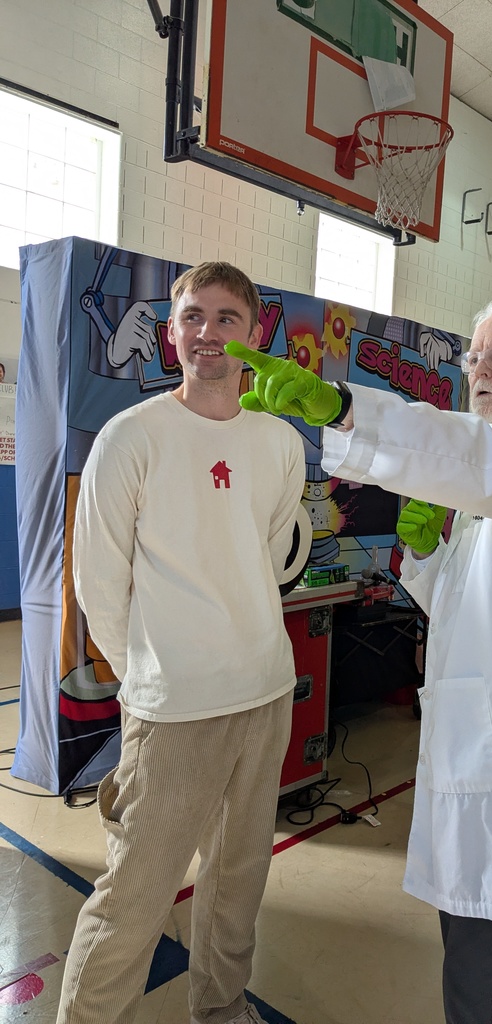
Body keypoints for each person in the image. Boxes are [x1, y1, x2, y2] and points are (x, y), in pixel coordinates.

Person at [225, 300, 492, 1024]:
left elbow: (479, 455)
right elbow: (470, 611)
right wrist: (433, 554)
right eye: (472, 357)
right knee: (464, 930)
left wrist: (343, 407)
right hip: (476, 738)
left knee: (488, 948)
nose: (478, 371)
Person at [60, 262, 305, 1024]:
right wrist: (151, 679)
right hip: (173, 714)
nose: (208, 333)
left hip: (263, 697)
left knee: (237, 884)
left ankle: (221, 1008)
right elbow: (99, 582)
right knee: (132, 899)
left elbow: (271, 561)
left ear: (255, 334)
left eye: (227, 318)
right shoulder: (132, 437)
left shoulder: (280, 441)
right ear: (171, 332)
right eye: (193, 317)